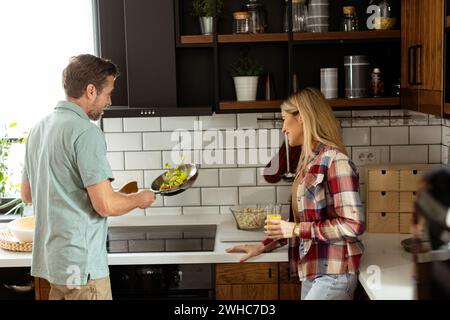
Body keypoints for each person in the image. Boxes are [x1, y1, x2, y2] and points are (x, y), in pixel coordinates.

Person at [20, 54, 156, 300]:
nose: (109, 101)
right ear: (91, 91)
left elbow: (27, 195)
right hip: (83, 270)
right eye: (108, 93)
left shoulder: (38, 128)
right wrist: (139, 198)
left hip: (55, 266)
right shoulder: (86, 132)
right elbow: (106, 205)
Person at [227, 87, 365, 300]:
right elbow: (299, 224)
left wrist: (296, 228)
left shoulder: (335, 161)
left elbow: (353, 224)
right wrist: (263, 245)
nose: (283, 128)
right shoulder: (309, 160)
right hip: (312, 269)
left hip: (334, 274)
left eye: (284, 119)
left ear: (301, 118)